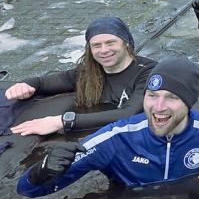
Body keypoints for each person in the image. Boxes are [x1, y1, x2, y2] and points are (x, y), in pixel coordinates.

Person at [17, 57, 199, 198]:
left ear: (189, 102)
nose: (158, 107)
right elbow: (27, 191)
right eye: (152, 96)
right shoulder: (115, 139)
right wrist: (40, 172)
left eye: (171, 97)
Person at [3, 16, 156, 136]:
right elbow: (42, 82)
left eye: (110, 43)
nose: (103, 50)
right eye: (96, 45)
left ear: (126, 43)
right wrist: (25, 85)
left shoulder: (148, 72)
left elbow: (129, 113)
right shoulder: (88, 72)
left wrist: (62, 121)